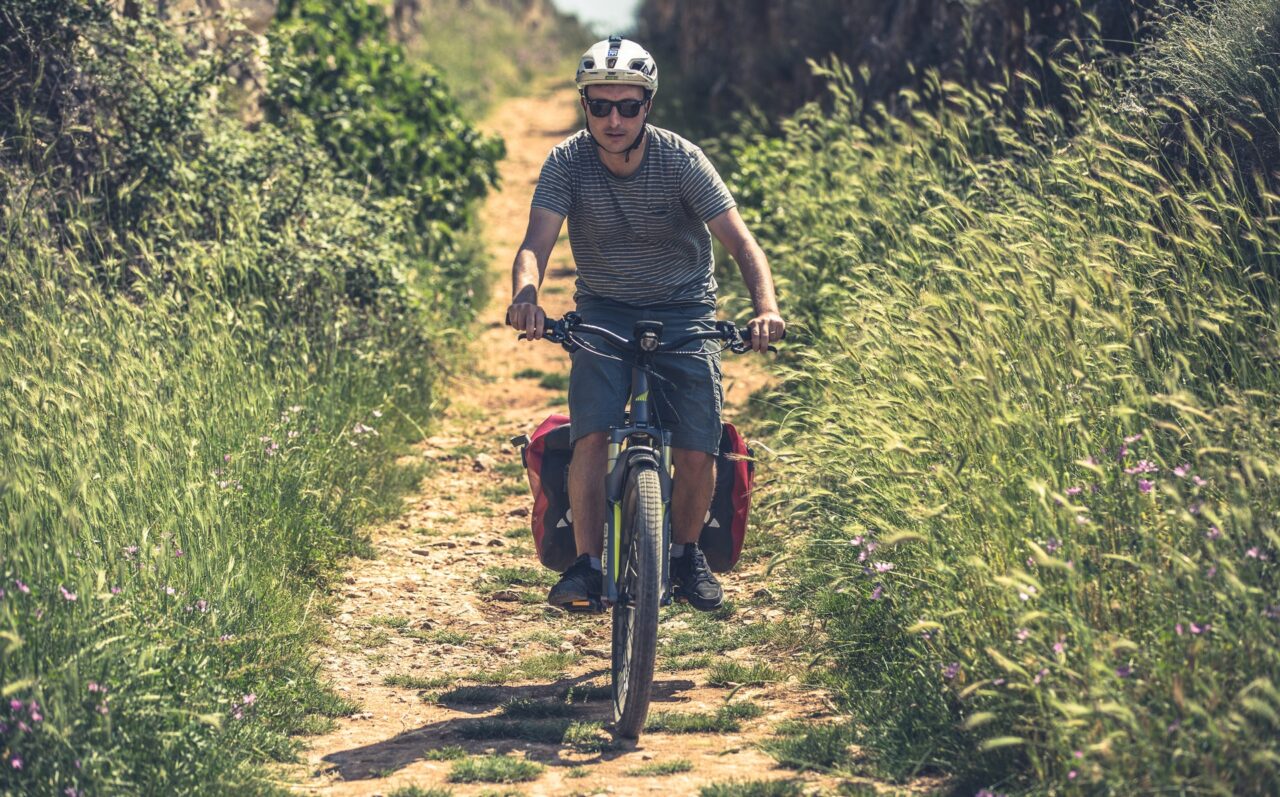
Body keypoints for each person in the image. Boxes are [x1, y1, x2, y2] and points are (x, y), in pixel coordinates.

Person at [506, 36, 785, 612]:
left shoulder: (681, 159)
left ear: (647, 106)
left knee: (697, 445)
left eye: (627, 106)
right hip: (605, 311)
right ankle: (586, 566)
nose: (613, 119)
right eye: (600, 105)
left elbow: (741, 244)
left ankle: (684, 555)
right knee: (590, 434)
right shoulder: (567, 162)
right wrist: (526, 296)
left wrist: (766, 308)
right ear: (584, 104)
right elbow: (535, 244)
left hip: (684, 310)